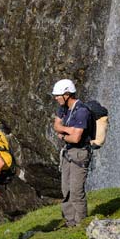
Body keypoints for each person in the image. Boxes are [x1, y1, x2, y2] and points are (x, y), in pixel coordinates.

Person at [51, 78, 92, 227]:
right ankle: (70, 221)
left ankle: (81, 223)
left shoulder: (81, 111)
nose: (56, 98)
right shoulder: (63, 108)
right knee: (66, 189)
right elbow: (56, 126)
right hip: (68, 152)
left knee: (76, 191)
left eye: (58, 95)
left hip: (80, 153)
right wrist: (68, 131)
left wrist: (64, 134)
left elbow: (76, 138)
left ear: (67, 94)